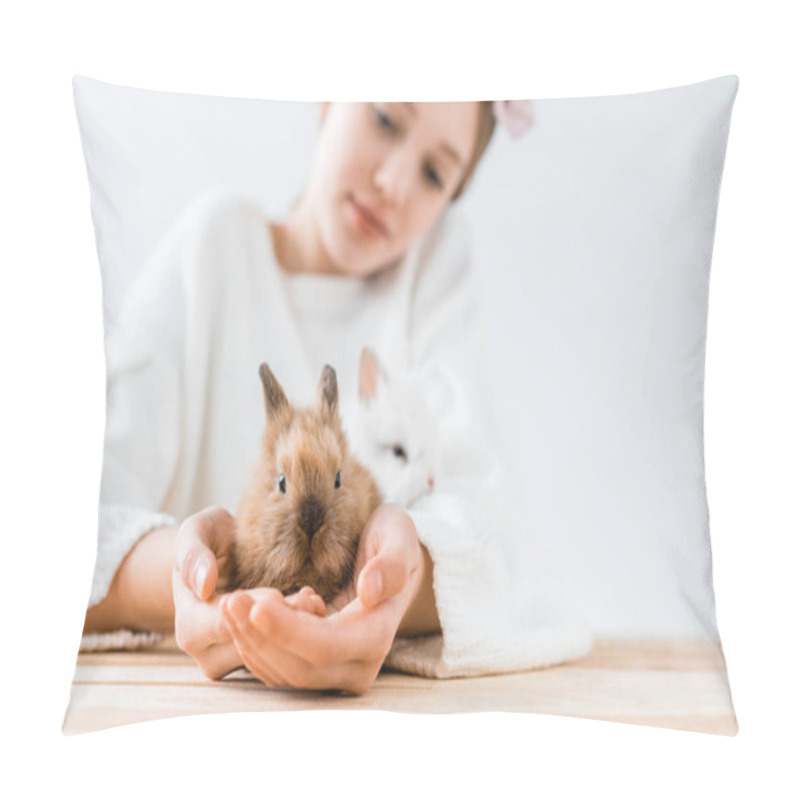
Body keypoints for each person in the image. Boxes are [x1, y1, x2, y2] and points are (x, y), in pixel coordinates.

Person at [82, 100, 591, 693]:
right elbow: (70, 524)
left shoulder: (432, 273)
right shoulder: (211, 248)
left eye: (433, 174)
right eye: (384, 119)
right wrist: (198, 577)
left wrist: (394, 578)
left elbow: (496, 534)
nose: (394, 183)